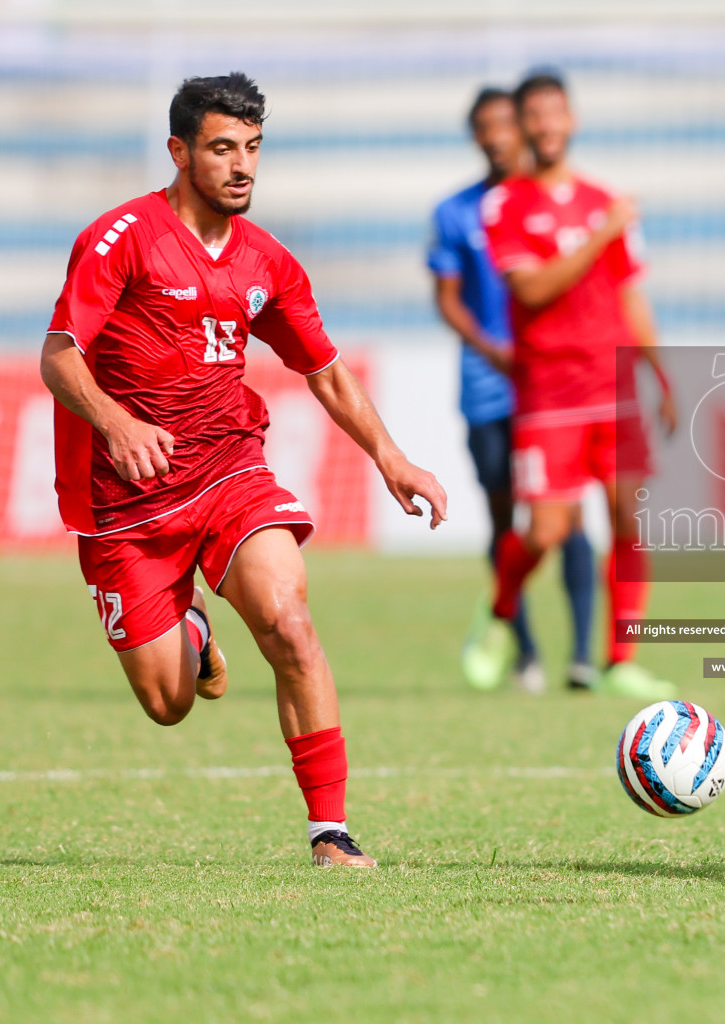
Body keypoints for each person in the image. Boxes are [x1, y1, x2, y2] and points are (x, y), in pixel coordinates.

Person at [39, 72, 448, 868]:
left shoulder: (269, 262)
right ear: (179, 150)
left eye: (253, 148)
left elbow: (325, 370)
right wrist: (117, 423)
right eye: (223, 148)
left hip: (230, 472)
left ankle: (329, 832)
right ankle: (190, 629)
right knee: (167, 704)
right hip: (124, 499)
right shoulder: (120, 238)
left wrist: (391, 458)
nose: (242, 166)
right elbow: (59, 356)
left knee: (292, 627)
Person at [481, 70, 677, 699]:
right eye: (533, 115)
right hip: (549, 389)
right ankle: (500, 614)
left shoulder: (604, 198)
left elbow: (629, 294)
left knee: (629, 517)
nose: (545, 125)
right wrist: (602, 231)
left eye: (554, 113)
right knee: (547, 530)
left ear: (572, 120)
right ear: (522, 126)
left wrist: (663, 373)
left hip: (612, 381)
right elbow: (533, 288)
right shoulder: (506, 205)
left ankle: (620, 658)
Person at [429, 85, 596, 694]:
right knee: (505, 518)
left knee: (567, 516)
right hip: (489, 388)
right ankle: (524, 649)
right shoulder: (456, 212)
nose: (498, 135)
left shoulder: (549, 203)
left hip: (551, 384)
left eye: (508, 124)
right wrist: (494, 352)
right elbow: (447, 300)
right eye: (487, 126)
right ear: (476, 135)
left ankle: (582, 657)